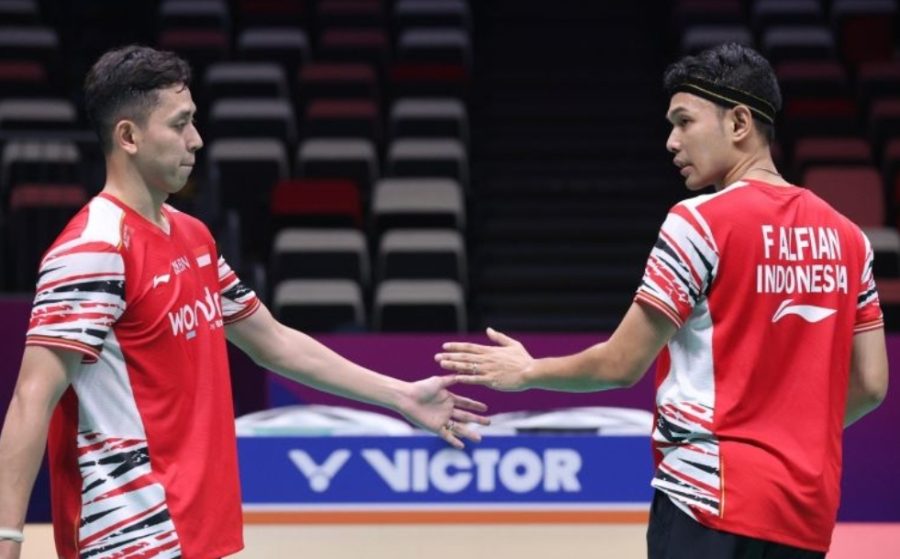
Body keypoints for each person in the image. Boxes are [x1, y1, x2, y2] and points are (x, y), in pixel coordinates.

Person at [0, 45, 488, 559]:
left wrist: (401, 396)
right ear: (128, 136)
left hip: (198, 529)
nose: (196, 139)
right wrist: (8, 540)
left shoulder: (193, 237)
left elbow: (273, 342)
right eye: (180, 124)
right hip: (131, 533)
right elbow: (32, 398)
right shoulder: (93, 250)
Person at [436, 43, 889, 558]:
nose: (672, 141)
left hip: (708, 502)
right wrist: (790, 435)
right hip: (805, 513)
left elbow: (622, 363)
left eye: (684, 122)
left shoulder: (699, 222)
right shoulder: (850, 239)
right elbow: (872, 384)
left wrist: (529, 371)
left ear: (739, 122)